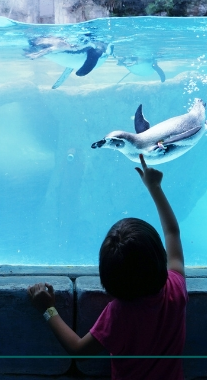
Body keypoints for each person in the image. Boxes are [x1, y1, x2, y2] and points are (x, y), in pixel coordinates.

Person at [27, 153, 187, 379]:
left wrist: (47, 308)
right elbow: (173, 232)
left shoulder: (120, 314)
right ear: (160, 257)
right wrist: (155, 187)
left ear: (108, 279)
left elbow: (79, 351)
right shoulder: (176, 288)